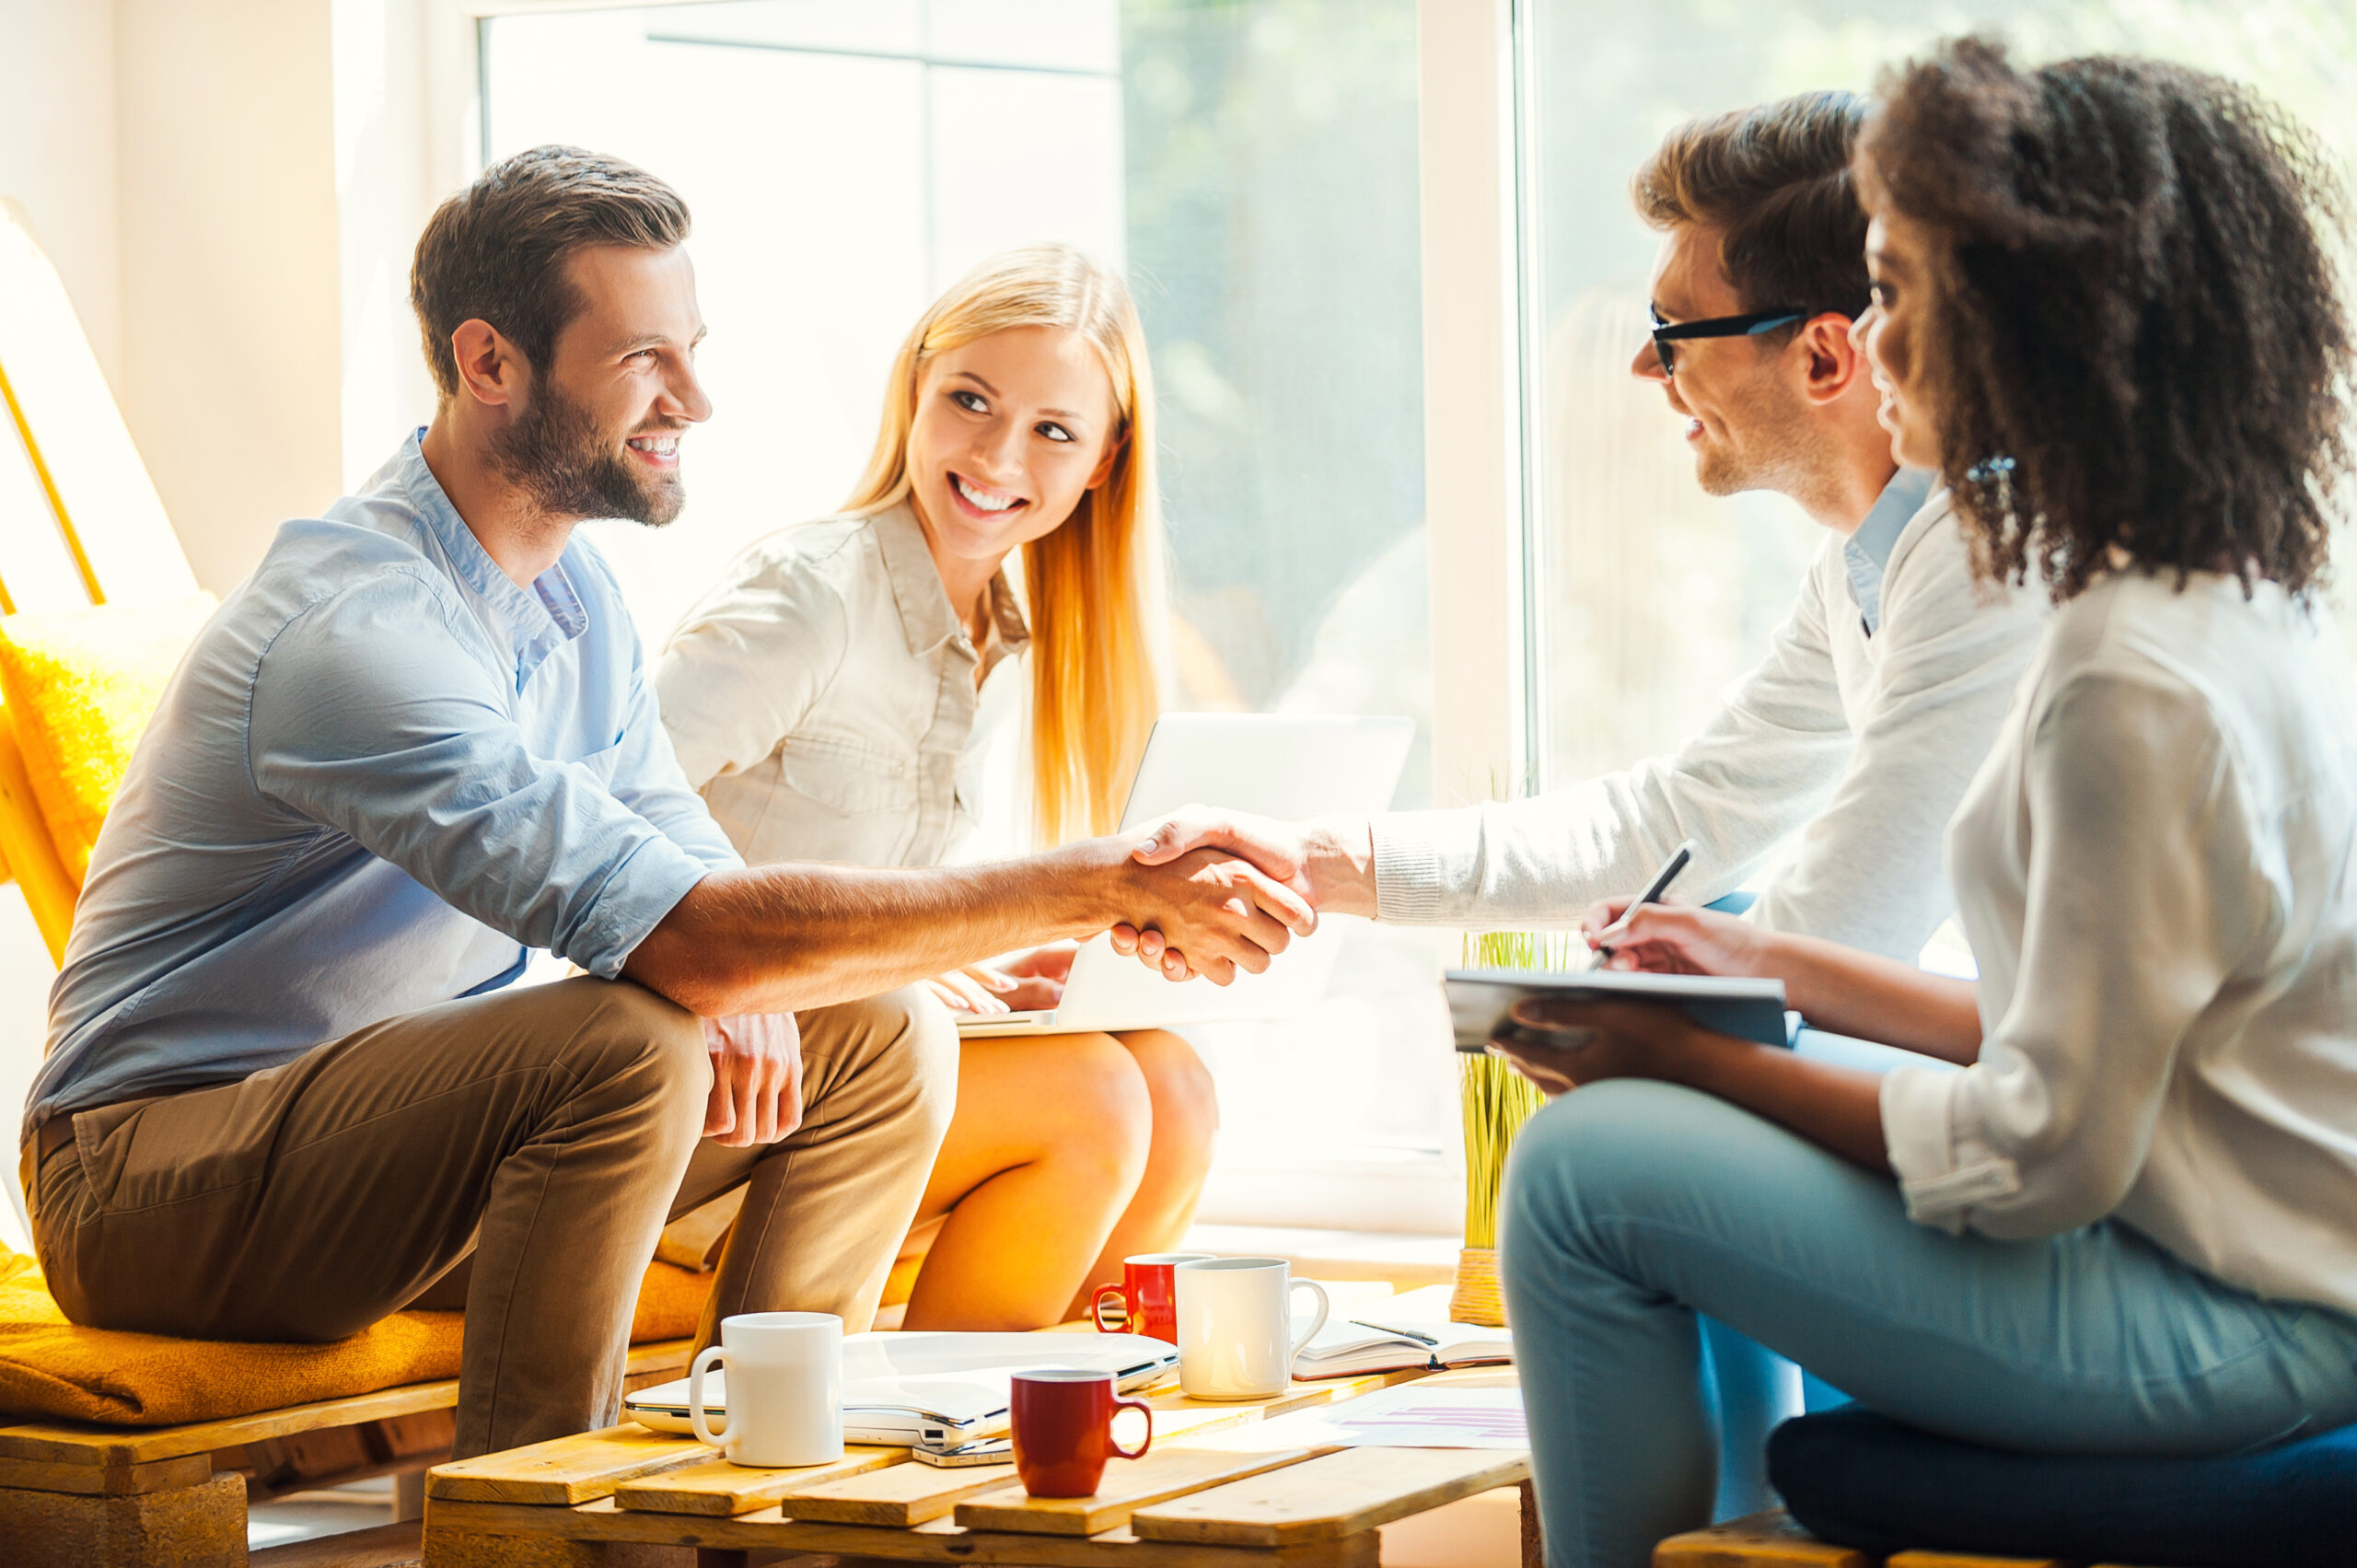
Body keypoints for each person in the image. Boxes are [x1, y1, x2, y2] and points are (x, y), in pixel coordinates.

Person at [17, 146, 1311, 1459]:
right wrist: (1097, 878)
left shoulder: (578, 610)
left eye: (691, 350)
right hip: (148, 1183)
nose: (695, 397)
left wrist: (764, 977)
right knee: (623, 1043)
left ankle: (780, 1483)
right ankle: (548, 1524)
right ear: (489, 364)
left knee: (878, 1034)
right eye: (647, 359)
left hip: (393, 1153)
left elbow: (677, 851)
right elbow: (683, 936)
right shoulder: (360, 631)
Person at [1486, 41, 2357, 1567]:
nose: (1873, 344)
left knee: (1578, 1166)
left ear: (2034, 323)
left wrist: (1684, 1056)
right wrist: (1767, 971)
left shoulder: (2125, 680)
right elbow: (2102, 1039)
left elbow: (2040, 1151)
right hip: (2260, 1276)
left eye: (1896, 291)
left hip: (2240, 1333)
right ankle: (1721, 1527)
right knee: (1685, 1073)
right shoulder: (2209, 593)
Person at [1117, 88, 2049, 1511]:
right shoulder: (1872, 563)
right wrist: (1322, 860)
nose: (1640, 365)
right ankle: (1737, 1515)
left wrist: (1647, 1020)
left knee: (1623, 1123)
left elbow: (1841, 919)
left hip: (2065, 1148)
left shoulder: (1979, 563)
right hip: (2008, 1102)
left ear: (1822, 354)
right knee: (1693, 967)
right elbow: (1671, 816)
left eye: (1674, 331)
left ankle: (1723, 1519)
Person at [654, 244, 1215, 1330]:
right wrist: (756, 982)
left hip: (856, 1059)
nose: (998, 454)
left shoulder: (991, 640)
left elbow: (865, 901)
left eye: (1053, 430)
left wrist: (976, 956)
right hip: (717, 1080)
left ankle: (1061, 1446)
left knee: (1174, 1086)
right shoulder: (811, 598)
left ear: (1102, 462)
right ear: (916, 387)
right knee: (1092, 1099)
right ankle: (934, 1445)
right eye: (970, 400)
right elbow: (600, 811)